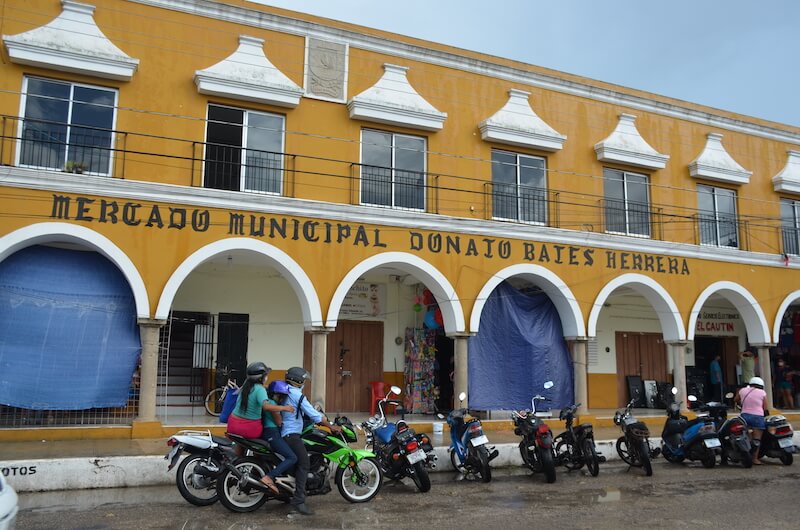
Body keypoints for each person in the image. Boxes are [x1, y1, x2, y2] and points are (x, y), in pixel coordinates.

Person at [282, 366, 340, 516]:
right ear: (297, 380)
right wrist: (331, 426)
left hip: (286, 433)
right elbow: (315, 415)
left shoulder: (286, 391)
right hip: (291, 434)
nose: (304, 383)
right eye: (303, 380)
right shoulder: (296, 395)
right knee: (304, 463)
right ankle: (299, 501)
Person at [226, 362, 294, 452]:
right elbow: (266, 407)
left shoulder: (245, 387)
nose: (267, 377)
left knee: (241, 444)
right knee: (266, 437)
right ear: (261, 377)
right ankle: (259, 460)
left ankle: (238, 460)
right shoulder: (260, 389)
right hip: (250, 428)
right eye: (266, 375)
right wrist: (285, 408)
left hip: (233, 425)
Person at [258, 380, 298, 495]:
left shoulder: (268, 401)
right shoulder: (273, 406)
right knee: (292, 457)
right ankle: (269, 477)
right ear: (276, 394)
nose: (282, 398)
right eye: (281, 396)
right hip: (272, 433)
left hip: (267, 432)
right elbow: (279, 422)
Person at [735, 376, 768, 465]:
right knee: (757, 439)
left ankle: (746, 455)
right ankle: (755, 459)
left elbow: (736, 399)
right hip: (758, 417)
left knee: (746, 437)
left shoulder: (742, 390)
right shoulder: (762, 393)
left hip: (744, 416)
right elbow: (765, 407)